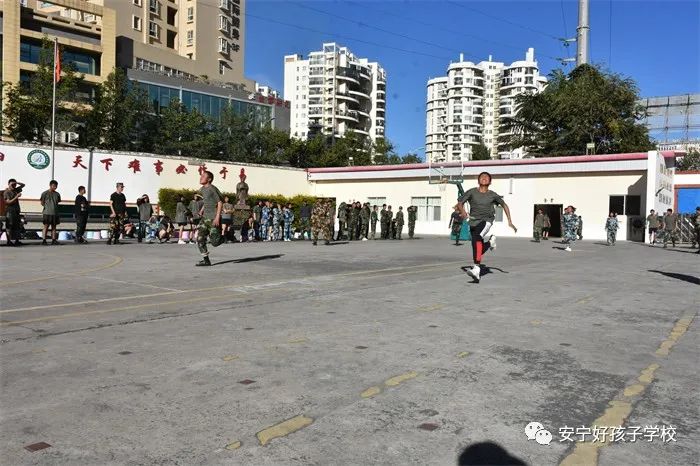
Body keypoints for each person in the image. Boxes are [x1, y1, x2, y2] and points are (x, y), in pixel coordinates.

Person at [458, 172, 517, 283]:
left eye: (486, 177)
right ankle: (490, 243)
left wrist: (510, 221)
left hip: (486, 221)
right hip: (473, 222)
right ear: (478, 180)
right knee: (476, 247)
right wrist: (463, 212)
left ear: (490, 182)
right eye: (482, 177)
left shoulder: (492, 195)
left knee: (476, 238)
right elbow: (460, 203)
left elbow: (504, 205)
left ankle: (476, 268)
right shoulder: (472, 192)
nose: (484, 178)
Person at [195, 170, 223, 266]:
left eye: (203, 176)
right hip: (205, 218)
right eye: (201, 176)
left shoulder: (212, 189)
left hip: (213, 218)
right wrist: (201, 210)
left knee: (215, 243)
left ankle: (225, 237)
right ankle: (206, 260)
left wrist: (217, 217)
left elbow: (219, 203)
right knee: (200, 239)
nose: (201, 177)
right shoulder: (202, 189)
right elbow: (206, 201)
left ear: (209, 179)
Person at [40, 180, 62, 245]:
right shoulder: (44, 193)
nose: (55, 187)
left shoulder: (57, 194)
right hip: (47, 212)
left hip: (55, 213)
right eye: (54, 186)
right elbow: (42, 203)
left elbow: (58, 202)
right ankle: (44, 240)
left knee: (54, 226)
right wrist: (48, 206)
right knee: (46, 226)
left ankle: (53, 240)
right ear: (50, 185)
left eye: (56, 186)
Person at [4, 179, 25, 247]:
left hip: (16, 211)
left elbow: (23, 185)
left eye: (14, 184)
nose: (14, 186)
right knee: (9, 226)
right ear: (9, 184)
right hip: (10, 211)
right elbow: (8, 202)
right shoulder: (7, 192)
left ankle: (17, 241)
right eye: (12, 184)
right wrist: (16, 197)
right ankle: (9, 241)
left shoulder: (15, 190)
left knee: (17, 226)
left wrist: (16, 182)